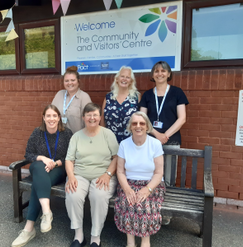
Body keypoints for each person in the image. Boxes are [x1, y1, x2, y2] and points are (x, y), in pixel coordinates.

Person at [11, 105, 73, 247]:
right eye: (48, 116)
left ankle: (29, 229)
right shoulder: (37, 133)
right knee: (38, 167)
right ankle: (46, 212)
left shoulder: (67, 133)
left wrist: (55, 163)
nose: (51, 119)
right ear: (43, 118)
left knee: (37, 186)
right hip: (40, 168)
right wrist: (43, 158)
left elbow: (71, 156)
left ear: (59, 118)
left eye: (54, 116)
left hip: (58, 169)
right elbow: (28, 154)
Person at [65, 103, 119, 247]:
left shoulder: (108, 134)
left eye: (95, 115)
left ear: (100, 118)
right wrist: (71, 176)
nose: (92, 118)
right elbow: (69, 159)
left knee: (99, 196)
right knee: (73, 194)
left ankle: (95, 238)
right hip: (79, 174)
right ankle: (79, 236)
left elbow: (116, 157)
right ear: (83, 118)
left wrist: (108, 174)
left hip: (102, 175)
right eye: (88, 115)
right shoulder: (76, 136)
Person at [114, 111, 165, 247]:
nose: (138, 126)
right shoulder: (124, 144)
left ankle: (145, 242)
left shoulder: (155, 144)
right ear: (130, 127)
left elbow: (159, 173)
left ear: (147, 127)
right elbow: (120, 171)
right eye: (134, 123)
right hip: (128, 183)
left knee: (145, 205)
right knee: (128, 202)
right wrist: (127, 189)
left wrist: (147, 190)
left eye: (142, 123)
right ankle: (130, 243)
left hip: (151, 184)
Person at [139, 61, 188, 186]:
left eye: (163, 71)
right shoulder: (147, 95)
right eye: (156, 71)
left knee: (169, 178)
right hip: (150, 140)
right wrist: (157, 135)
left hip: (171, 140)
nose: (159, 74)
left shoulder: (177, 92)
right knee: (150, 174)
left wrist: (165, 135)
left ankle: (166, 201)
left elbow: (182, 118)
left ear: (168, 74)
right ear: (153, 75)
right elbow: (142, 118)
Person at [101, 66, 140, 143]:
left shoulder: (136, 97)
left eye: (128, 77)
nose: (124, 79)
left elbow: (140, 119)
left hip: (130, 141)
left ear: (131, 81)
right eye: (122, 76)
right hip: (110, 141)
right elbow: (102, 119)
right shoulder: (109, 97)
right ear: (117, 79)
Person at [52, 66, 92, 134]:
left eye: (73, 80)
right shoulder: (59, 94)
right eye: (66, 81)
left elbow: (89, 120)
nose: (69, 83)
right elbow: (50, 114)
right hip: (58, 138)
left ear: (78, 81)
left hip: (77, 139)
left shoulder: (84, 97)